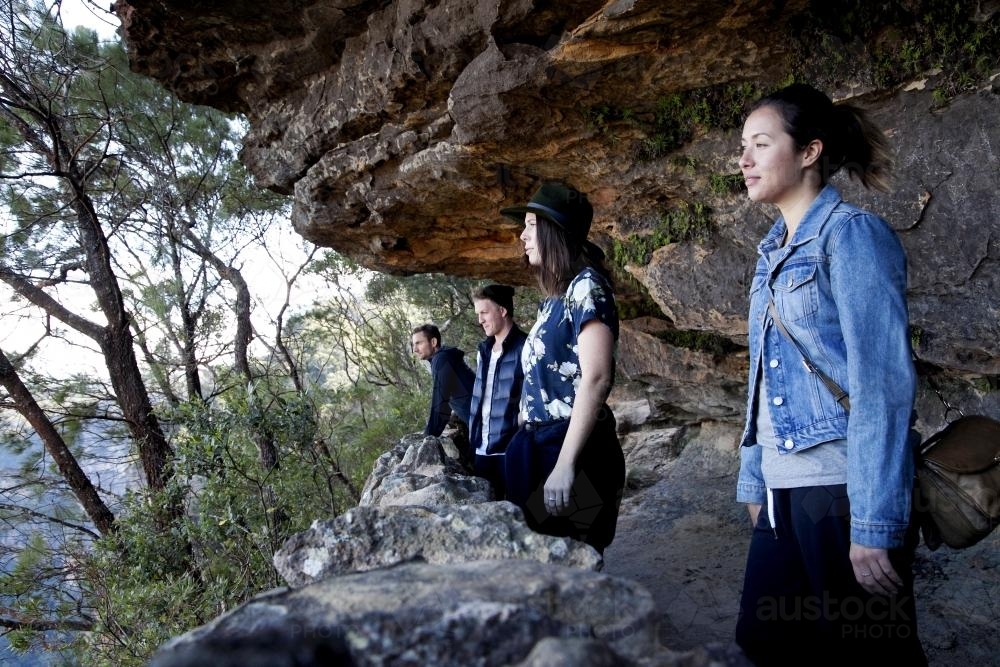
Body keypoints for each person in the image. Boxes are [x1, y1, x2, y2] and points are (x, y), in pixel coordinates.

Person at [733, 83, 925, 664]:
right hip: (782, 489)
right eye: (743, 145)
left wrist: (872, 520)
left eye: (761, 144)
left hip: (842, 487)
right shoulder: (771, 253)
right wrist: (754, 474)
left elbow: (883, 384)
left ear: (809, 151)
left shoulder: (852, 236)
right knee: (766, 639)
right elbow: (760, 378)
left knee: (864, 649)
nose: (743, 159)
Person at [499, 181, 626, 554]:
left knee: (577, 558)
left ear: (555, 231)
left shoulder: (587, 287)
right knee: (540, 560)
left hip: (574, 449)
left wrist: (565, 464)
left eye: (530, 226)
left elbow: (597, 377)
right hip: (536, 447)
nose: (521, 236)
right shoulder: (554, 299)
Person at [468, 284, 527, 499]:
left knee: (519, 513)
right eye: (478, 314)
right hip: (481, 450)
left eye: (484, 312)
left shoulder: (526, 346)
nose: (480, 320)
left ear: (502, 311)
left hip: (511, 450)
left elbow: (536, 396)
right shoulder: (483, 350)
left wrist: (516, 422)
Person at [411, 324, 475, 438]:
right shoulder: (444, 357)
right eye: (413, 344)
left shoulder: (441, 359)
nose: (415, 349)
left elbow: (441, 405)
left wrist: (428, 437)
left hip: (486, 424)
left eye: (418, 343)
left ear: (433, 342)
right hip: (484, 421)